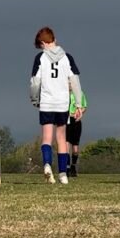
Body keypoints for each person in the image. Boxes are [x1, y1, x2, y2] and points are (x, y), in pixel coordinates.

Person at [30, 26, 84, 185]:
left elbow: (35, 82)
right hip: (62, 103)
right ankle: (63, 175)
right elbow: (75, 81)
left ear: (42, 43)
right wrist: (79, 104)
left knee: (47, 137)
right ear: (54, 39)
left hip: (46, 102)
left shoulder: (40, 58)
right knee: (61, 138)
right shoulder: (67, 58)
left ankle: (47, 164)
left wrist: (34, 98)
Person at [66, 89, 88, 178]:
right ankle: (66, 168)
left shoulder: (80, 93)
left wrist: (79, 112)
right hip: (67, 120)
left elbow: (85, 106)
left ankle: (73, 166)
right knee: (66, 146)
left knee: (75, 149)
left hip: (76, 121)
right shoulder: (63, 92)